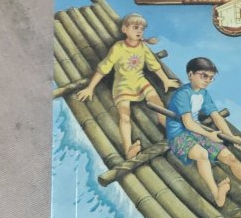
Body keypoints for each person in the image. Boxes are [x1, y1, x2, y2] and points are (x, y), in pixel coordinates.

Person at [167, 57, 241, 207]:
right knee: (202, 154)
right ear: (190, 75)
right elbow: (188, 123)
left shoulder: (203, 94)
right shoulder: (182, 94)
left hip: (197, 132)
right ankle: (216, 194)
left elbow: (216, 116)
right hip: (179, 135)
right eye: (204, 76)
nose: (208, 80)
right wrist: (209, 135)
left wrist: (231, 136)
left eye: (211, 78)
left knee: (230, 158)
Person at [77, 13, 180, 159]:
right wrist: (90, 88)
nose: (139, 31)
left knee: (159, 106)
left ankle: (172, 133)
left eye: (142, 29)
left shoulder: (143, 47)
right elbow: (104, 68)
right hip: (123, 86)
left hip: (140, 82)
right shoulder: (118, 48)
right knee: (124, 117)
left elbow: (153, 65)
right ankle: (128, 149)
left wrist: (165, 80)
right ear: (124, 29)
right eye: (135, 27)